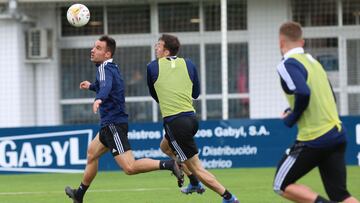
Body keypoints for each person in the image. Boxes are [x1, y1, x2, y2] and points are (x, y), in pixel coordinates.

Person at [65, 35, 183, 203]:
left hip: (113, 125)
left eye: (98, 48)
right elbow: (108, 85)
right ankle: (79, 195)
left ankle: (169, 164)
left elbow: (106, 87)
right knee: (92, 154)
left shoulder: (105, 68)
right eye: (94, 47)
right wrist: (92, 86)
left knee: (129, 167)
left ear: (107, 54)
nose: (93, 50)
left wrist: (99, 98)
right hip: (109, 125)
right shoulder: (111, 67)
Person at [273, 21, 359, 203]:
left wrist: (292, 118)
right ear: (302, 42)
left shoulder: (287, 64)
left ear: (281, 43)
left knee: (280, 185)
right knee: (341, 196)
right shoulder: (314, 63)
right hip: (337, 133)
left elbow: (303, 92)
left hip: (315, 138)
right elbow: (328, 96)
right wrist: (292, 108)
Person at [147, 34, 239, 203]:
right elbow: (196, 93)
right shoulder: (189, 64)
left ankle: (228, 197)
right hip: (190, 119)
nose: (155, 48)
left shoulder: (152, 67)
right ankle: (194, 182)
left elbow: (156, 95)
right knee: (165, 147)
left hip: (175, 124)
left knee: (197, 167)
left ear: (166, 51)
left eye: (158, 45)